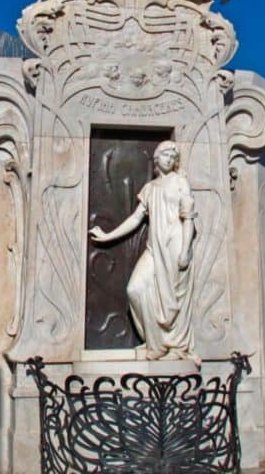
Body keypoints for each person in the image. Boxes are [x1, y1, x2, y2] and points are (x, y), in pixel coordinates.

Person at [90, 141, 199, 365]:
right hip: (154, 247)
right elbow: (136, 219)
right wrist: (108, 236)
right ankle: (155, 342)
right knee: (135, 289)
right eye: (164, 155)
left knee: (172, 302)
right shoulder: (150, 188)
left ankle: (173, 345)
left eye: (172, 156)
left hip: (175, 245)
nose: (168, 159)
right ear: (156, 159)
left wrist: (186, 249)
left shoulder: (181, 182)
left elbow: (188, 218)